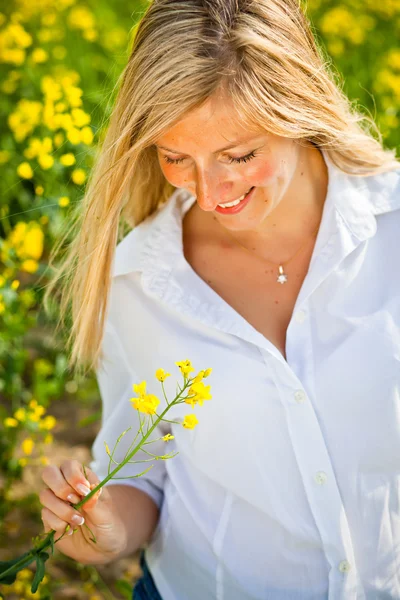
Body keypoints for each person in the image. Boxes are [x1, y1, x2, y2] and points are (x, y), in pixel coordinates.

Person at [39, 0, 400, 598]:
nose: (211, 193)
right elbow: (146, 477)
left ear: (299, 108)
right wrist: (104, 531)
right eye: (175, 157)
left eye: (238, 156)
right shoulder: (140, 285)